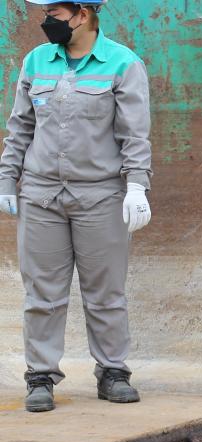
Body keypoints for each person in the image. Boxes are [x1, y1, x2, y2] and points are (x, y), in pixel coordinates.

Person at [0, 0, 152, 413]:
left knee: (105, 292)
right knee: (42, 294)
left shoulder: (122, 64)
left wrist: (137, 186)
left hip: (99, 195)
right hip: (41, 194)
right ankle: (41, 377)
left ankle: (113, 372)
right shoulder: (36, 62)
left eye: (56, 14)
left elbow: (134, 134)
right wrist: (6, 179)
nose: (47, 21)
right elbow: (20, 128)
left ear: (83, 14)